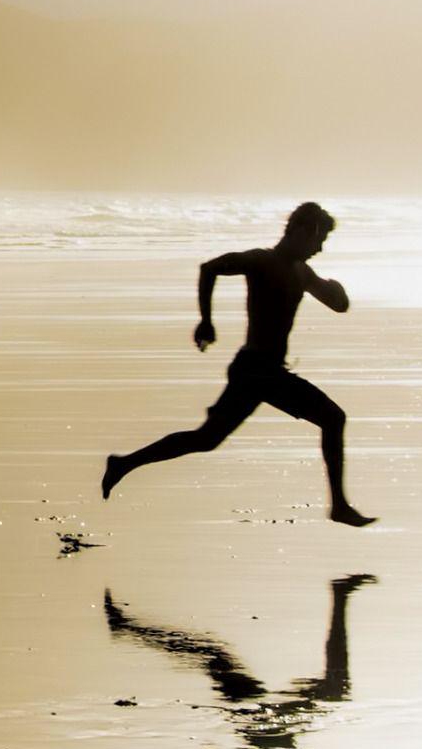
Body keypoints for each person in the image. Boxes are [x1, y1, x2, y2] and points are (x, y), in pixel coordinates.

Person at [100, 200, 372, 523]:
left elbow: (338, 304)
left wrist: (334, 288)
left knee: (206, 438)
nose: (320, 249)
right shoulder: (261, 261)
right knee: (332, 417)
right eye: (319, 240)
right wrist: (206, 321)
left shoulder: (301, 272)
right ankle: (339, 505)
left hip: (260, 371)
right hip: (258, 370)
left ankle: (123, 463)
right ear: (300, 231)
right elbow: (210, 267)